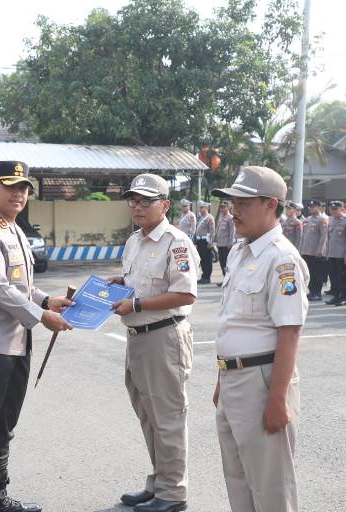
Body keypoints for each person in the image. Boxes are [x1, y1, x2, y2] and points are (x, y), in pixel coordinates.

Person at [0, 161, 73, 512]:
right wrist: (42, 316)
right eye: (10, 186)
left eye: (24, 187)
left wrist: (47, 300)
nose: (19, 193)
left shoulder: (15, 230)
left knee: (3, 427)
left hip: (16, 344)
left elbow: (23, 286)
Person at [211, 166, 309, 512]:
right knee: (238, 481)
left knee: (270, 489)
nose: (233, 210)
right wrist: (222, 377)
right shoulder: (240, 251)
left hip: (262, 382)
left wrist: (277, 399)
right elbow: (233, 323)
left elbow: (289, 330)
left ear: (270, 204)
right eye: (232, 202)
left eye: (243, 203)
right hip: (234, 379)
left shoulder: (281, 259)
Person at [108, 173, 198, 512]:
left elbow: (185, 292)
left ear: (165, 204)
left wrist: (138, 304)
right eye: (133, 200)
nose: (138, 206)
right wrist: (119, 283)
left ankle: (173, 494)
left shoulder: (176, 242)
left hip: (164, 336)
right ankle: (160, 483)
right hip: (139, 338)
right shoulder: (135, 240)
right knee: (149, 415)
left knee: (168, 417)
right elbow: (140, 284)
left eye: (146, 200)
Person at [324, 201, 346, 306]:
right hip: (332, 253)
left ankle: (343, 297)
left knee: (342, 277)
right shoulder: (330, 220)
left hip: (342, 254)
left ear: (341, 209)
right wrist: (327, 252)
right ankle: (336, 295)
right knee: (333, 277)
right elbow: (328, 238)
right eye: (331, 209)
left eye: (335, 209)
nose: (333, 211)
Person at [300, 199, 327, 301]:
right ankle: (311, 291)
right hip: (307, 251)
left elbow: (324, 236)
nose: (311, 209)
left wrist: (320, 250)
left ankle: (317, 293)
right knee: (309, 272)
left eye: (313, 207)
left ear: (319, 207)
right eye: (310, 207)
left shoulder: (322, 219)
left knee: (317, 273)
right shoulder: (308, 219)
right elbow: (304, 236)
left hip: (316, 252)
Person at [194, 200, 215, 284]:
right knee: (202, 259)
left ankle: (207, 277)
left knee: (207, 260)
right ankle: (204, 276)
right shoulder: (200, 217)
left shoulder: (209, 217)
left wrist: (210, 242)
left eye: (202, 208)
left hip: (206, 241)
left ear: (206, 208)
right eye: (200, 208)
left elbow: (212, 231)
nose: (200, 209)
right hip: (200, 241)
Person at [215, 200, 235, 276]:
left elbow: (232, 231)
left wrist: (230, 243)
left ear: (228, 208)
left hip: (226, 244)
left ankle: (227, 277)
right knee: (222, 261)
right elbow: (218, 230)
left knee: (227, 262)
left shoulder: (230, 218)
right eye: (221, 207)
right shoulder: (221, 217)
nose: (222, 209)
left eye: (223, 207)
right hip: (220, 243)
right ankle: (224, 277)